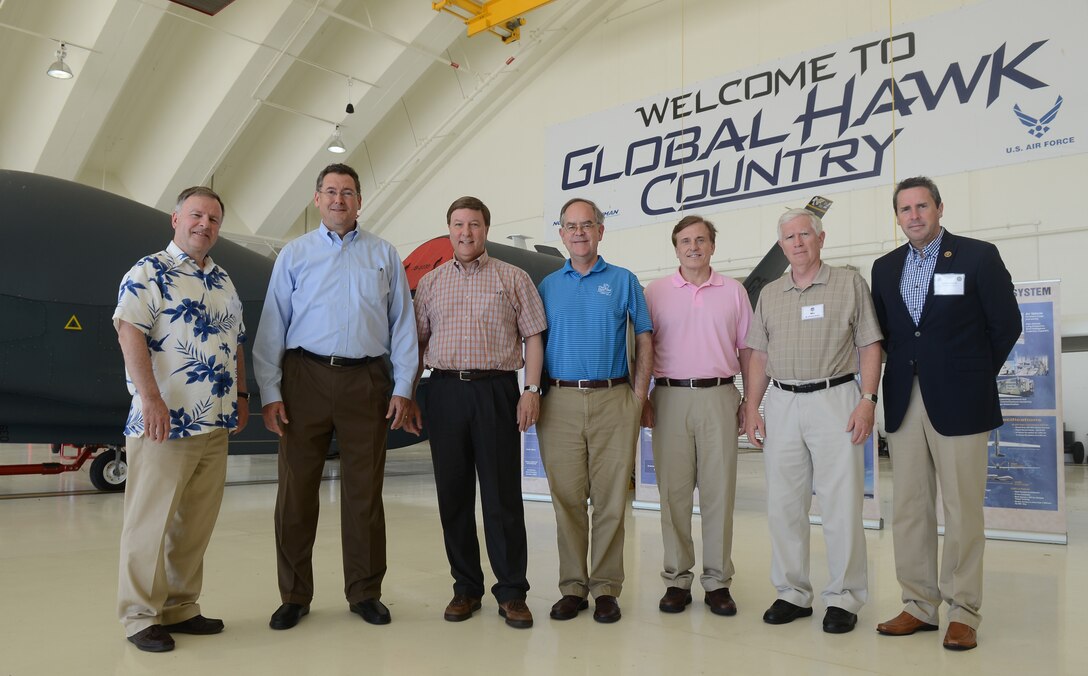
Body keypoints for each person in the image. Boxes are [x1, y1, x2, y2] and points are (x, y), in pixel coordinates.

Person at [252, 163, 417, 630]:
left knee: (365, 493)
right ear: (317, 199)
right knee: (295, 492)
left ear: (359, 201)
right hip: (304, 378)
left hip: (366, 380)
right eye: (330, 192)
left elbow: (403, 326)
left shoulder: (384, 255)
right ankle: (294, 595)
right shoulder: (294, 254)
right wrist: (270, 392)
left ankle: (364, 591)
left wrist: (403, 386)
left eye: (347, 192)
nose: (339, 199)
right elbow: (272, 326)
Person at [871, 176, 1021, 651]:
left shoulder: (978, 256)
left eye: (921, 206)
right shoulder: (884, 266)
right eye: (905, 209)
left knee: (962, 511)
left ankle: (963, 610)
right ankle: (918, 604)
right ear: (897, 217)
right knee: (910, 509)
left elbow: (1006, 324)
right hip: (904, 399)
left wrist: (972, 374)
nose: (913, 215)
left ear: (938, 208)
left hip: (961, 399)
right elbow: (889, 334)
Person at [114, 186, 249, 653]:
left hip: (214, 422)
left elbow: (236, 344)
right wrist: (149, 398)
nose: (204, 225)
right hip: (164, 422)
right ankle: (138, 616)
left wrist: (243, 395)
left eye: (213, 219)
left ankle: (180, 607)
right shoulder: (149, 271)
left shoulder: (223, 280)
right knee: (149, 522)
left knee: (195, 523)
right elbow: (128, 329)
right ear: (176, 219)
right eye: (196, 215)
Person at [408, 196, 547, 629]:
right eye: (457, 224)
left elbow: (534, 338)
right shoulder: (430, 284)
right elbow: (416, 344)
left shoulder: (514, 277)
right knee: (453, 495)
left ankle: (511, 592)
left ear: (486, 229)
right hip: (445, 392)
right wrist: (409, 393)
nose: (465, 232)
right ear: (448, 230)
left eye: (474, 224)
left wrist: (531, 390)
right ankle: (465, 588)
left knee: (502, 496)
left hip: (495, 392)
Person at [742, 208, 882, 634]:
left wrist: (867, 399)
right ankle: (792, 593)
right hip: (782, 402)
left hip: (835, 398)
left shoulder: (849, 283)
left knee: (841, 504)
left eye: (805, 234)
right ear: (781, 245)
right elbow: (760, 356)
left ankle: (844, 597)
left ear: (821, 239)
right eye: (789, 237)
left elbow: (870, 344)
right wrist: (752, 407)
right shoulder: (771, 294)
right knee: (784, 504)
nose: (797, 242)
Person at [536, 197, 653, 624]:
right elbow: (533, 343)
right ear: (562, 234)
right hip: (560, 402)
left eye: (588, 225)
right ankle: (572, 588)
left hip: (613, 399)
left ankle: (605, 588)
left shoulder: (624, 280)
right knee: (566, 500)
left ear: (601, 231)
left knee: (609, 502)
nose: (579, 232)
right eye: (571, 225)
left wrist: (638, 398)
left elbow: (644, 338)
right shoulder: (548, 286)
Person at [642, 215, 752, 617]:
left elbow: (748, 352)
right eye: (685, 241)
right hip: (668, 397)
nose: (693, 247)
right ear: (675, 248)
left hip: (719, 395)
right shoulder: (654, 292)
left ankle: (718, 581)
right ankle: (676, 579)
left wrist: (750, 402)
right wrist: (642, 398)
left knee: (719, 491)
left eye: (701, 240)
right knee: (673, 493)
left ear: (712, 246)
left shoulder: (734, 292)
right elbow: (642, 348)